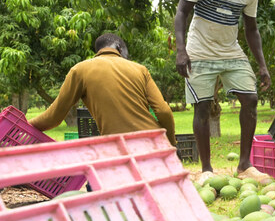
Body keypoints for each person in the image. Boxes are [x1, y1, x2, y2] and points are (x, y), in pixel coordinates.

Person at [174, 0, 271, 175]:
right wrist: (181, 50)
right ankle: (206, 169)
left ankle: (244, 164)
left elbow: (251, 29)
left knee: (250, 99)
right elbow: (181, 13)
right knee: (202, 107)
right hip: (200, 49)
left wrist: (262, 65)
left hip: (230, 50)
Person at [29, 33, 177, 145]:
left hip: (119, 148)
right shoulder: (140, 69)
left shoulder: (80, 70)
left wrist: (26, 124)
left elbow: (53, 117)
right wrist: (171, 144)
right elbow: (163, 111)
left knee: (93, 186)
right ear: (119, 48)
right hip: (155, 144)